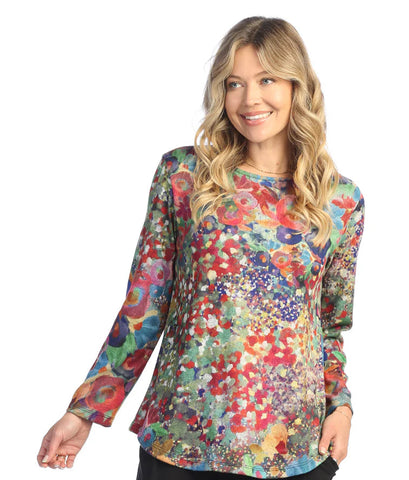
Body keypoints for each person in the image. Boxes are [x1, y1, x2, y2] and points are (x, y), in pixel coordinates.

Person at [37, 16, 365, 480]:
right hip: (182, 443)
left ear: (297, 86)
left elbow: (329, 324)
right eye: (235, 84)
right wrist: (86, 409)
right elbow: (145, 305)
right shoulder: (184, 176)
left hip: (295, 448)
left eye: (267, 80)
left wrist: (341, 406)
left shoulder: (340, 201)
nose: (250, 100)